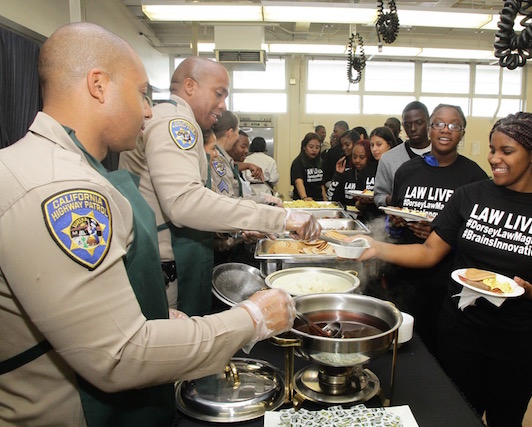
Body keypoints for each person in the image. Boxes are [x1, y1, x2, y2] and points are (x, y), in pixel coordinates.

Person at [0, 22, 296, 427]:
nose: (148, 110)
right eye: (141, 93)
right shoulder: (60, 189)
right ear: (98, 85)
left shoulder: (57, 165)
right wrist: (252, 319)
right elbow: (119, 355)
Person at [354, 112, 532, 426]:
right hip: (460, 333)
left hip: (519, 342)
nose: (494, 158)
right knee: (458, 415)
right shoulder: (471, 195)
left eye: (506, 151)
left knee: (506, 419)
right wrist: (378, 248)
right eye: (493, 150)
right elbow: (429, 252)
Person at [119, 57, 319, 316]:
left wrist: (247, 217)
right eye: (218, 93)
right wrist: (280, 218)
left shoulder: (166, 116)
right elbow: (184, 202)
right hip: (167, 266)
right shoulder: (177, 124)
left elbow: (198, 197)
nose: (223, 107)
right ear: (190, 86)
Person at [383, 104, 488, 353]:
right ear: (430, 129)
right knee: (404, 345)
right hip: (406, 279)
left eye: (454, 126)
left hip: (447, 283)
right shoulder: (407, 171)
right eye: (439, 124)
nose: (445, 130)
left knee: (440, 350)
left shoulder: (475, 178)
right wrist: (397, 223)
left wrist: (442, 235)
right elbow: (396, 216)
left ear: (462, 132)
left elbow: (478, 236)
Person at [374, 101, 431, 208]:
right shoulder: (388, 159)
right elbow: (378, 196)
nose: (413, 128)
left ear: (428, 122)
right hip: (399, 222)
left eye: (418, 123)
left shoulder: (442, 156)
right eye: (408, 125)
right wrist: (393, 199)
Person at [326, 139, 374, 207]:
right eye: (354, 157)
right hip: (345, 213)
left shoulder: (373, 176)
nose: (357, 160)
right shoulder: (347, 174)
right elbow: (330, 198)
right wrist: (337, 175)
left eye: (362, 157)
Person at [290, 132, 326, 200]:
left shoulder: (321, 162)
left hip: (318, 200)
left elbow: (321, 184)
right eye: (311, 147)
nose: (314, 150)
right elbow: (298, 181)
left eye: (317, 147)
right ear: (304, 147)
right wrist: (304, 197)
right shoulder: (298, 162)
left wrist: (325, 201)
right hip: (303, 200)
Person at [322, 120, 349, 187]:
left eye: (335, 131)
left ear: (344, 130)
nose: (334, 134)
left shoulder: (354, 150)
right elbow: (326, 173)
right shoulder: (332, 152)